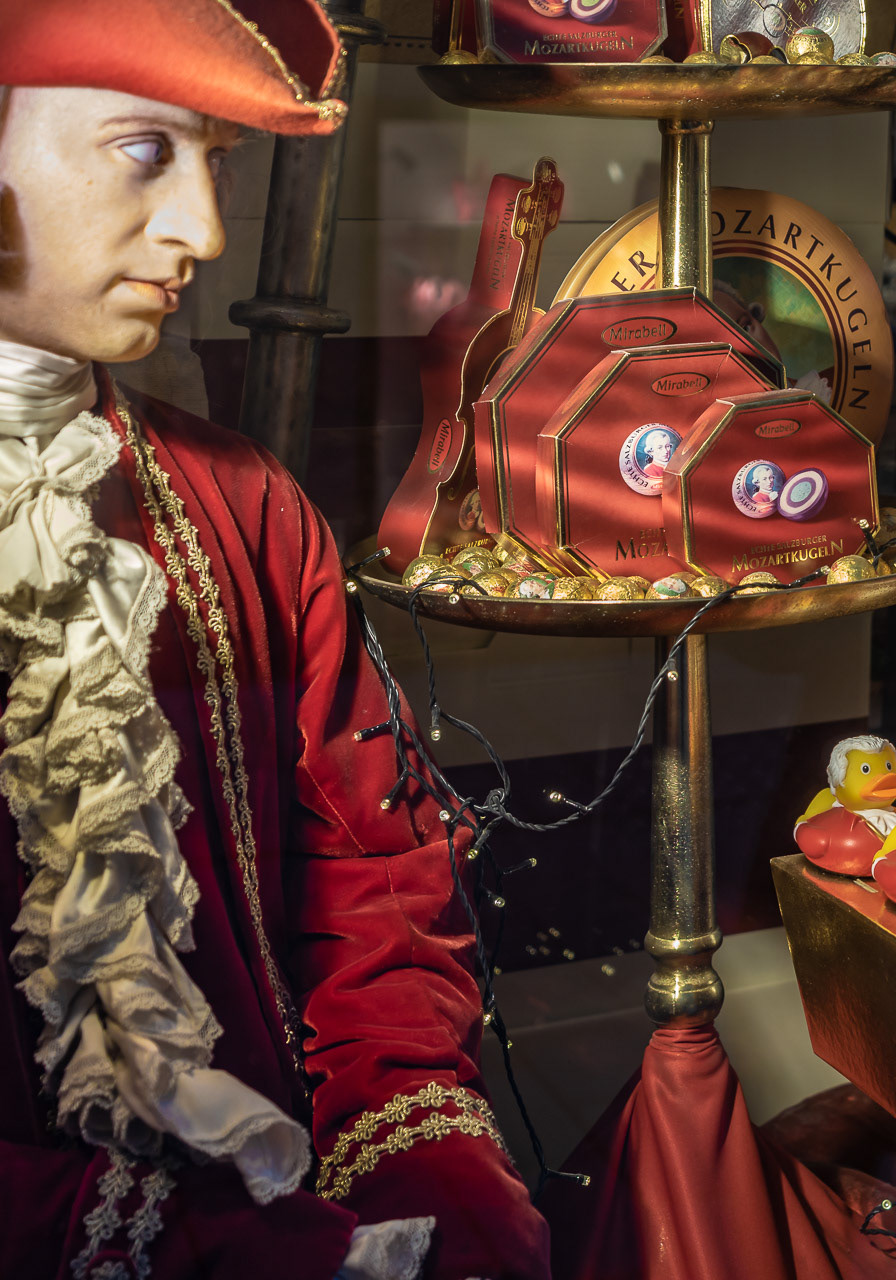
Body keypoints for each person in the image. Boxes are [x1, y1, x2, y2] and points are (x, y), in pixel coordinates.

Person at [0, 3, 549, 1278]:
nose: (205, 229)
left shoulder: (244, 506)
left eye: (218, 162)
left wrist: (431, 1185)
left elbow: (375, 885)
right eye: (145, 150)